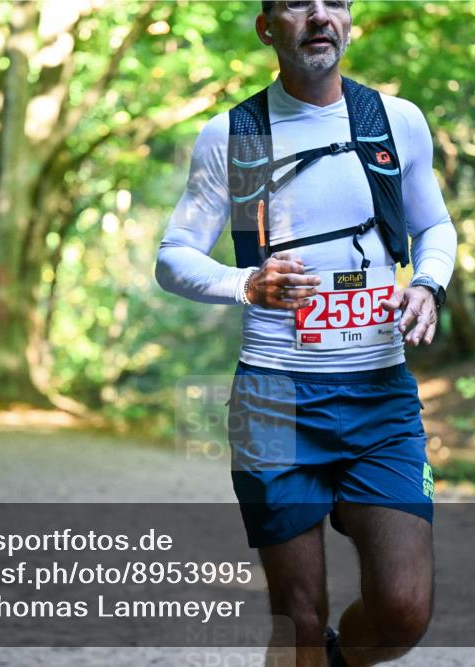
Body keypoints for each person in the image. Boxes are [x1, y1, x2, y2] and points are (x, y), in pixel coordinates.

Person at [155, 2, 457, 665]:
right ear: (268, 27)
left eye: (336, 3)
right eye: (297, 3)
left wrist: (428, 283)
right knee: (298, 618)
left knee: (403, 610)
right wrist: (245, 282)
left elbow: (434, 224)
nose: (319, 16)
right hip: (273, 397)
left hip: (379, 398)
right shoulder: (236, 134)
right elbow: (172, 258)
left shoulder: (393, 123)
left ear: (349, 22)